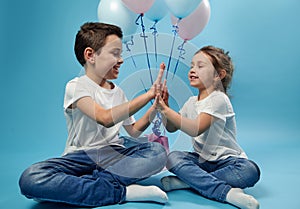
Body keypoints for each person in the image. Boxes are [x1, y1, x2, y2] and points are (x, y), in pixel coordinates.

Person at [19, 22, 169, 207]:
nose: (121, 60)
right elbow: (105, 118)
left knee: (157, 152)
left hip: (115, 153)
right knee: (31, 178)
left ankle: (82, 186)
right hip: (80, 157)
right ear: (90, 55)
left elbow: (134, 131)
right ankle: (122, 191)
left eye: (120, 54)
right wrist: (147, 95)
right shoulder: (76, 87)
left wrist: (155, 107)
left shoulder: (118, 92)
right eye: (115, 53)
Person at [155, 46, 261, 209]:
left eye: (200, 66)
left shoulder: (219, 99)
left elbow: (195, 128)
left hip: (229, 162)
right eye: (192, 65)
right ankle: (226, 191)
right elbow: (170, 128)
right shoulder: (191, 102)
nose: (192, 70)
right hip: (201, 160)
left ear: (219, 75)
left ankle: (189, 182)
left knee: (250, 171)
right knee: (172, 157)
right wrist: (165, 108)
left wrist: (166, 109)